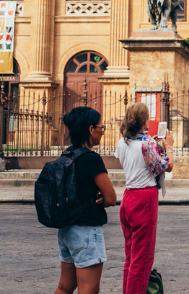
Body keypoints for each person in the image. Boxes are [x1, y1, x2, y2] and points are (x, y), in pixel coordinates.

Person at [54, 107, 118, 294]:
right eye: (101, 127)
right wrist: (102, 200)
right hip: (86, 230)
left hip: (66, 229)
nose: (102, 132)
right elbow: (111, 198)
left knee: (65, 287)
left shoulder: (66, 155)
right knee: (89, 290)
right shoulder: (91, 158)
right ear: (91, 129)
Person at [115, 102, 173, 294]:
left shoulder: (123, 142)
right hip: (144, 198)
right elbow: (166, 166)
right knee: (142, 259)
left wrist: (154, 144)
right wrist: (169, 147)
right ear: (145, 121)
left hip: (128, 196)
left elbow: (139, 156)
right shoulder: (148, 145)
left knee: (130, 256)